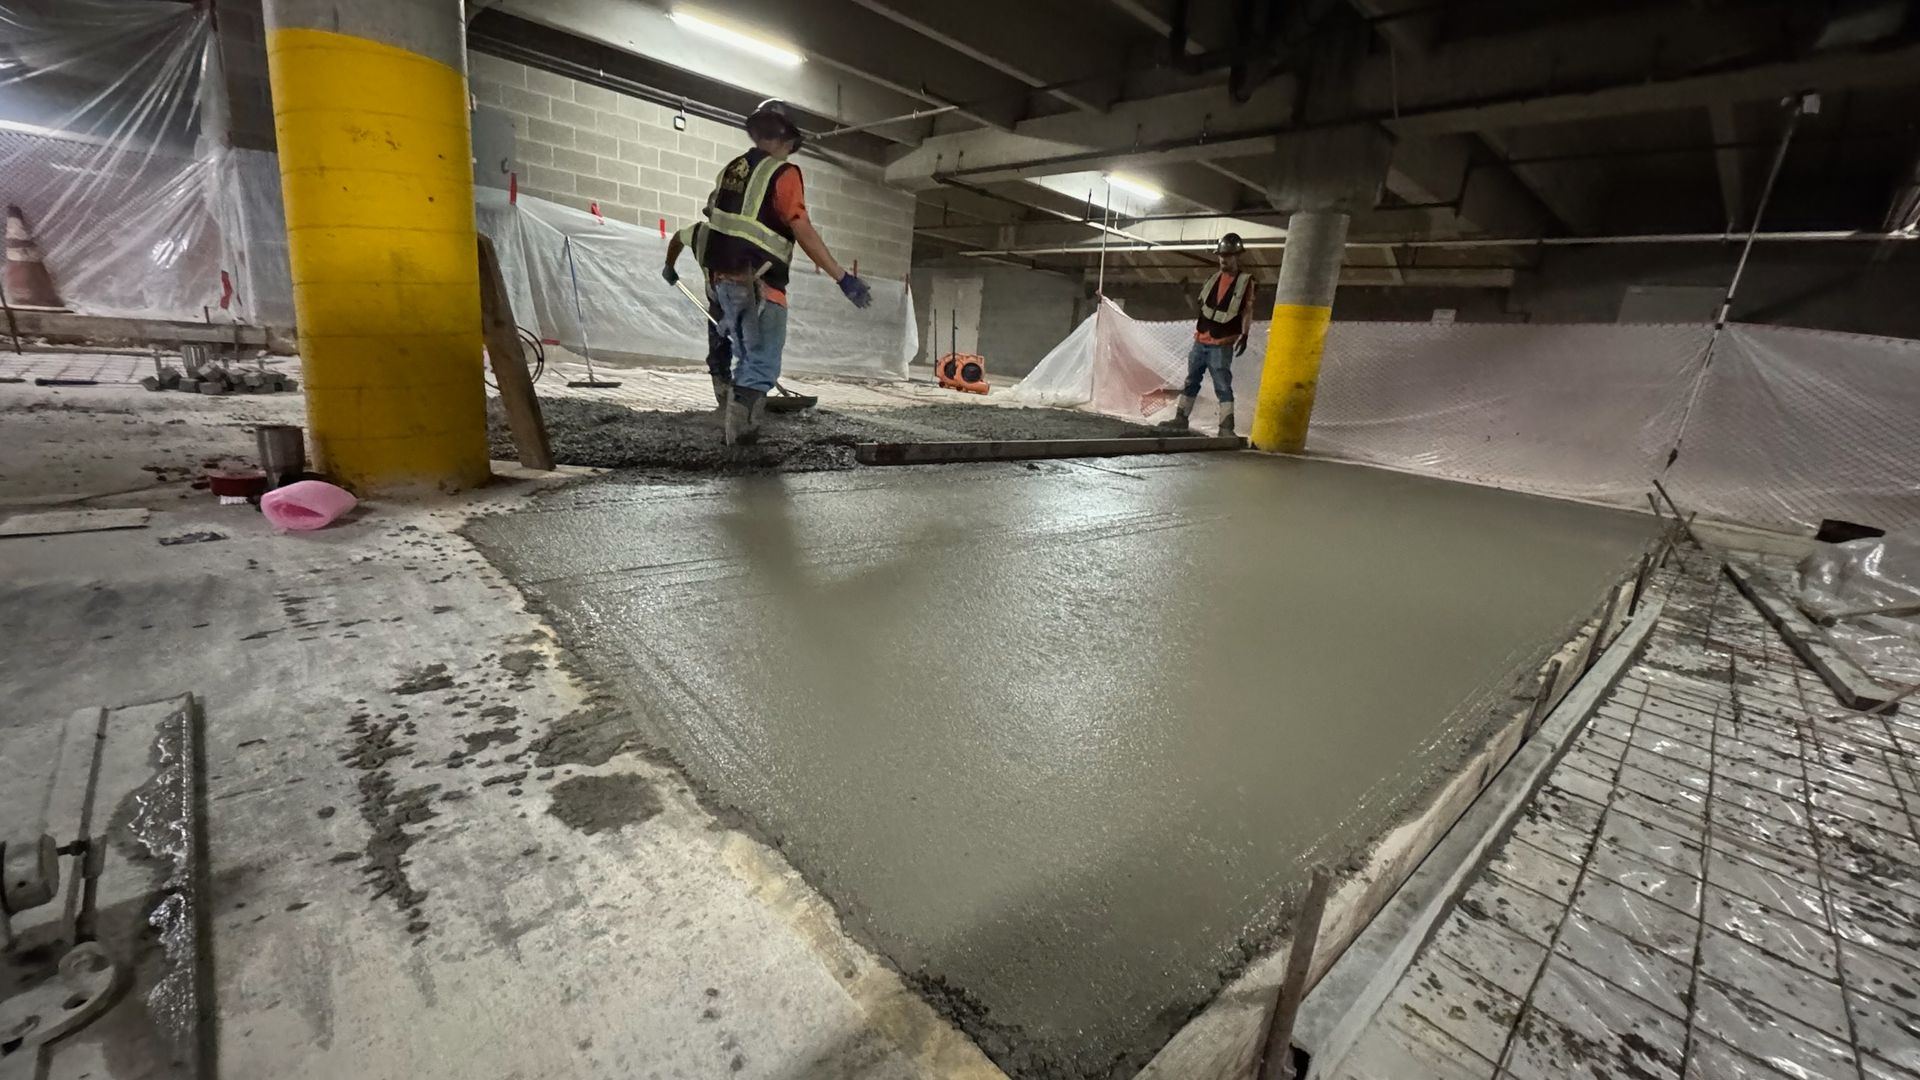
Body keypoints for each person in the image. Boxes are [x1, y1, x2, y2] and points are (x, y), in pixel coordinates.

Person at [701, 98, 872, 445]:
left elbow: (712, 219)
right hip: (759, 285)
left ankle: (729, 420)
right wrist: (842, 277)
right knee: (760, 363)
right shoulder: (784, 173)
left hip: (721, 282)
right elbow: (800, 226)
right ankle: (742, 444)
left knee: (741, 356)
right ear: (787, 140)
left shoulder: (732, 169)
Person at [1159, 233, 1255, 437]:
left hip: (1222, 342)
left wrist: (1245, 335)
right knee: (1191, 380)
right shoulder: (1212, 279)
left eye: (1228, 256)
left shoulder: (1245, 282)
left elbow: (1247, 310)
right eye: (1221, 255)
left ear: (1237, 257)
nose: (1223, 259)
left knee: (1222, 385)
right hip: (1201, 340)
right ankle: (1180, 419)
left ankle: (1226, 428)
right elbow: (1201, 308)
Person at [662, 217, 732, 410]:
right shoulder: (698, 233)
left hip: (744, 300)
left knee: (751, 350)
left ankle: (751, 398)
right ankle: (725, 400)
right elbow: (677, 238)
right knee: (719, 351)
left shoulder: (740, 239)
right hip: (718, 299)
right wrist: (669, 265)